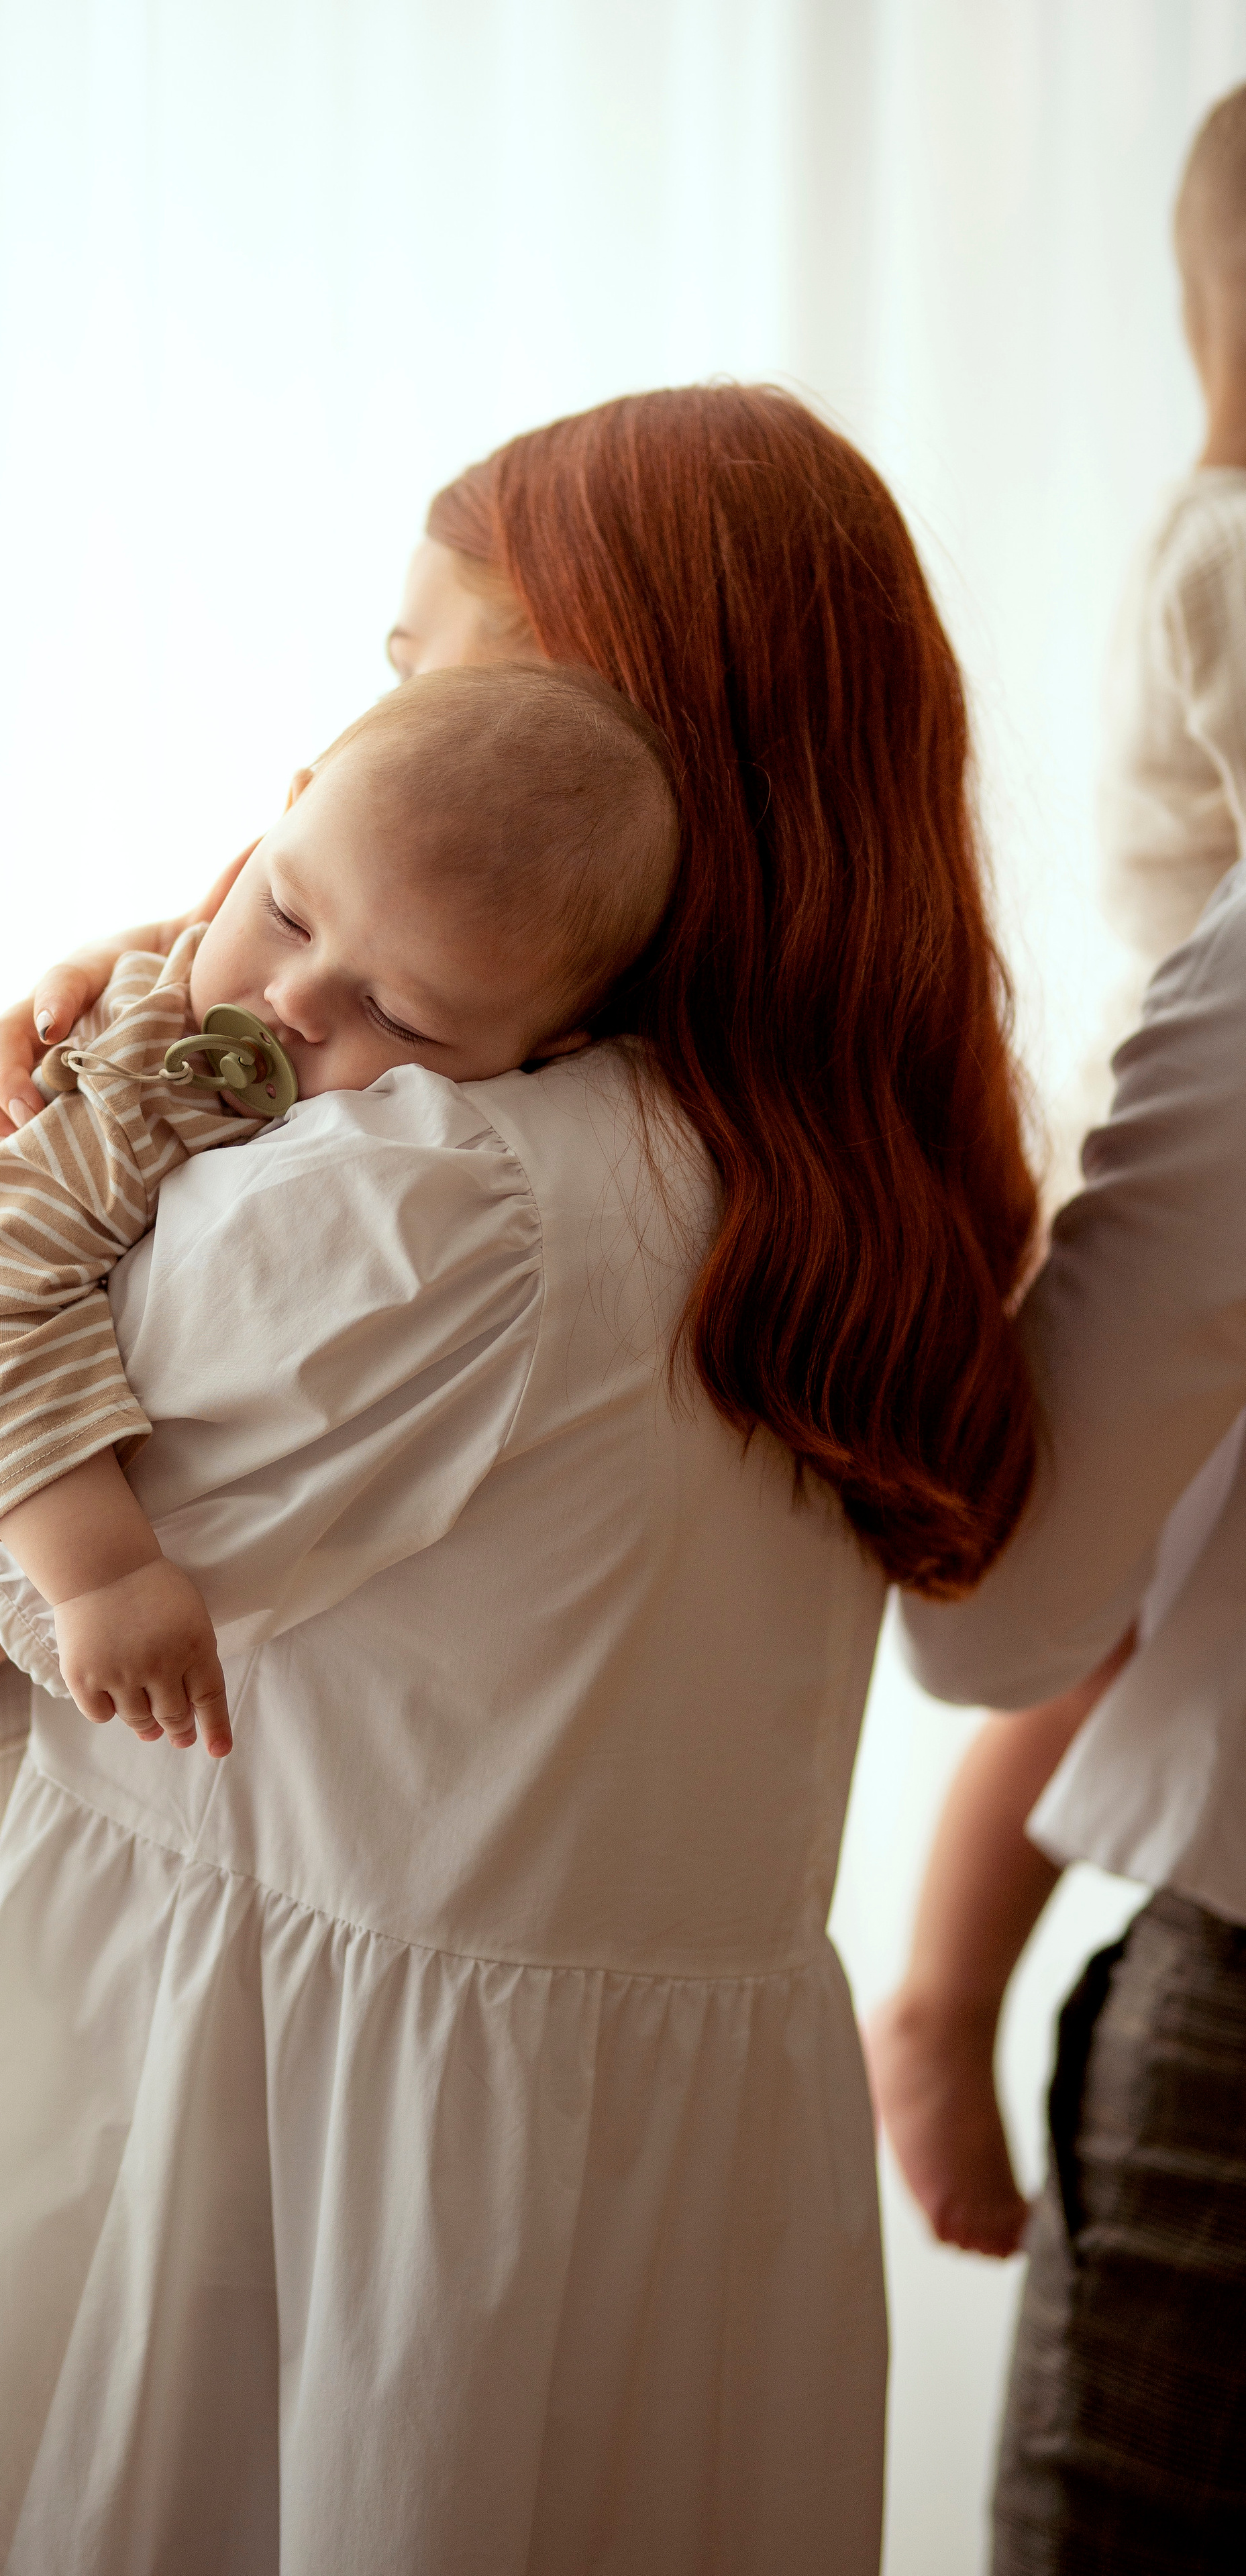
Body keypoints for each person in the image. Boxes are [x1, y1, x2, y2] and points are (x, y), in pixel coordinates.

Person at [0, 385, 1041, 2575]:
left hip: (292, 2242)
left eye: (426, 676)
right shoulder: (850, 1207)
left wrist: (101, 1169)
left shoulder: (434, 1214)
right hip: (642, 2242)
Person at [0, 660, 680, 2336]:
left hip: (201, 1628)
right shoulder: (155, 1062)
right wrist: (96, 1570)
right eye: (278, 911)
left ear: (547, 1052)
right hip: (54, 1527)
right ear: (257, 839)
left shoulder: (476, 1147)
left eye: (401, 1023)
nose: (289, 1008)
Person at [870, 82, 1246, 2296]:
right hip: (1172, 1086)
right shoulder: (1234, 557)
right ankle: (935, 1984)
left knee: (1130, 1623)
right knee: (1092, 1618)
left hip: (1180, 1085)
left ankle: (940, 1983)